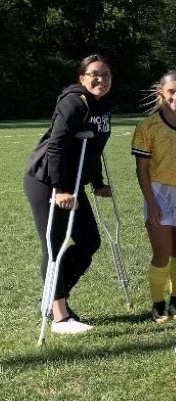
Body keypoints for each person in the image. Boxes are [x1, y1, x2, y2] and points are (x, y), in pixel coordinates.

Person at [24, 54, 113, 334]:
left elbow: (93, 148)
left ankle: (50, 299)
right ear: (82, 78)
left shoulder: (102, 106)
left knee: (89, 241)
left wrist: (97, 182)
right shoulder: (74, 102)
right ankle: (60, 318)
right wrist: (60, 189)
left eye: (106, 74)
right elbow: (57, 147)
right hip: (47, 180)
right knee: (55, 244)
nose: (101, 79)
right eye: (94, 74)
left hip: (72, 184)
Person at [132, 71, 176, 323]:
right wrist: (151, 203)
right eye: (171, 91)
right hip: (158, 192)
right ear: (161, 93)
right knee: (162, 252)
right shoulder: (147, 126)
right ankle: (157, 303)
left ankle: (175, 301)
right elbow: (141, 169)